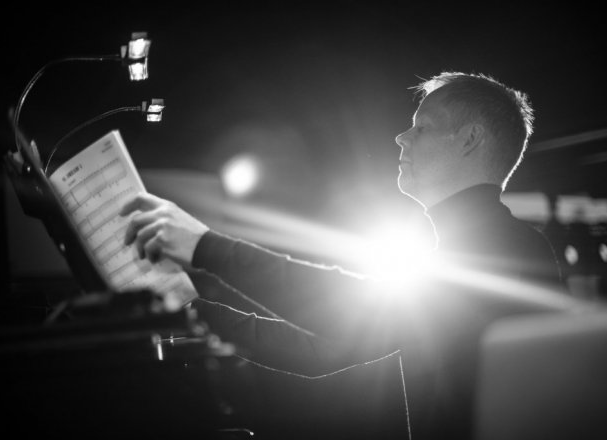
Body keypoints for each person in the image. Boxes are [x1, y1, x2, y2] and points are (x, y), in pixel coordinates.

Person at [120, 72, 577, 439]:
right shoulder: (466, 250)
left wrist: (204, 246)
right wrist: (192, 311)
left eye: (422, 127)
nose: (401, 138)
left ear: (469, 139)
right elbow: (318, 348)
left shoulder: (499, 250)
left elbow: (343, 313)